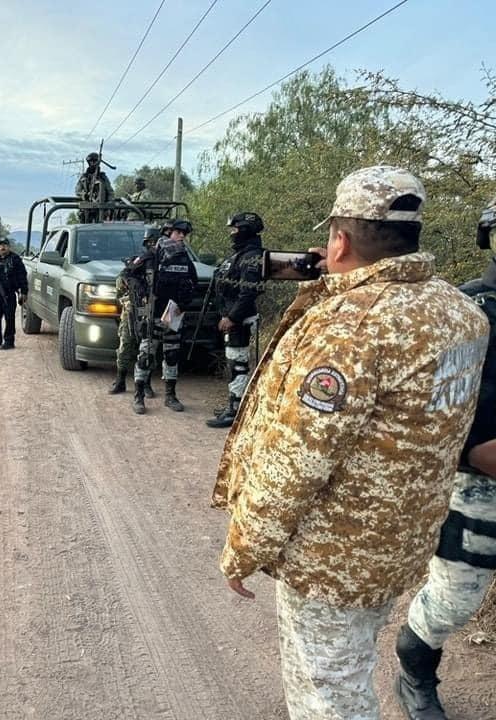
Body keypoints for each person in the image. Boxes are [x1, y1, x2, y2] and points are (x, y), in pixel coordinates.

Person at [212, 166, 489, 720]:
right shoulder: (461, 311)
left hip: (332, 557)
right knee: (351, 670)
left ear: (339, 237)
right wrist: (340, 279)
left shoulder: (352, 327)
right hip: (399, 541)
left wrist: (245, 547)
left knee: (328, 697)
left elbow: (297, 461)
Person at [394, 196, 496, 720]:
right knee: (455, 600)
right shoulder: (466, 310)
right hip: (477, 482)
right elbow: (437, 416)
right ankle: (414, 668)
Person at [127, 221, 197, 415]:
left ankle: (170, 395)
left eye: (184, 233)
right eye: (178, 232)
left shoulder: (184, 257)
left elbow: (193, 282)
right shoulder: (152, 255)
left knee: (172, 355)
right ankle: (139, 396)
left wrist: (184, 304)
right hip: (153, 313)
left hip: (174, 314)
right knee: (145, 355)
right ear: (167, 233)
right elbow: (129, 273)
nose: (182, 236)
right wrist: (142, 292)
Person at [206, 212, 266, 428]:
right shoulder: (241, 254)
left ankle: (235, 410)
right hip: (231, 316)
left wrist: (231, 317)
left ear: (245, 230)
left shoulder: (252, 256)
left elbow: (247, 293)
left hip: (239, 320)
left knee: (238, 364)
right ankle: (233, 404)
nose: (232, 234)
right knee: (234, 362)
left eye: (235, 230)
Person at [110, 226, 159, 395]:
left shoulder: (164, 263)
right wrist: (130, 299)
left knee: (148, 347)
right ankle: (121, 379)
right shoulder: (139, 262)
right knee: (126, 344)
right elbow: (121, 282)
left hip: (152, 311)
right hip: (133, 311)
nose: (154, 246)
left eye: (156, 242)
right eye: (151, 243)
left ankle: (146, 383)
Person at [75, 152, 113, 223]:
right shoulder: (84, 177)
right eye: (91, 161)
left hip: (100, 208)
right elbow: (77, 190)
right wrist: (83, 194)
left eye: (94, 161)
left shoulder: (102, 177)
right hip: (86, 208)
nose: (92, 163)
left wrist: (108, 205)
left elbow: (110, 192)